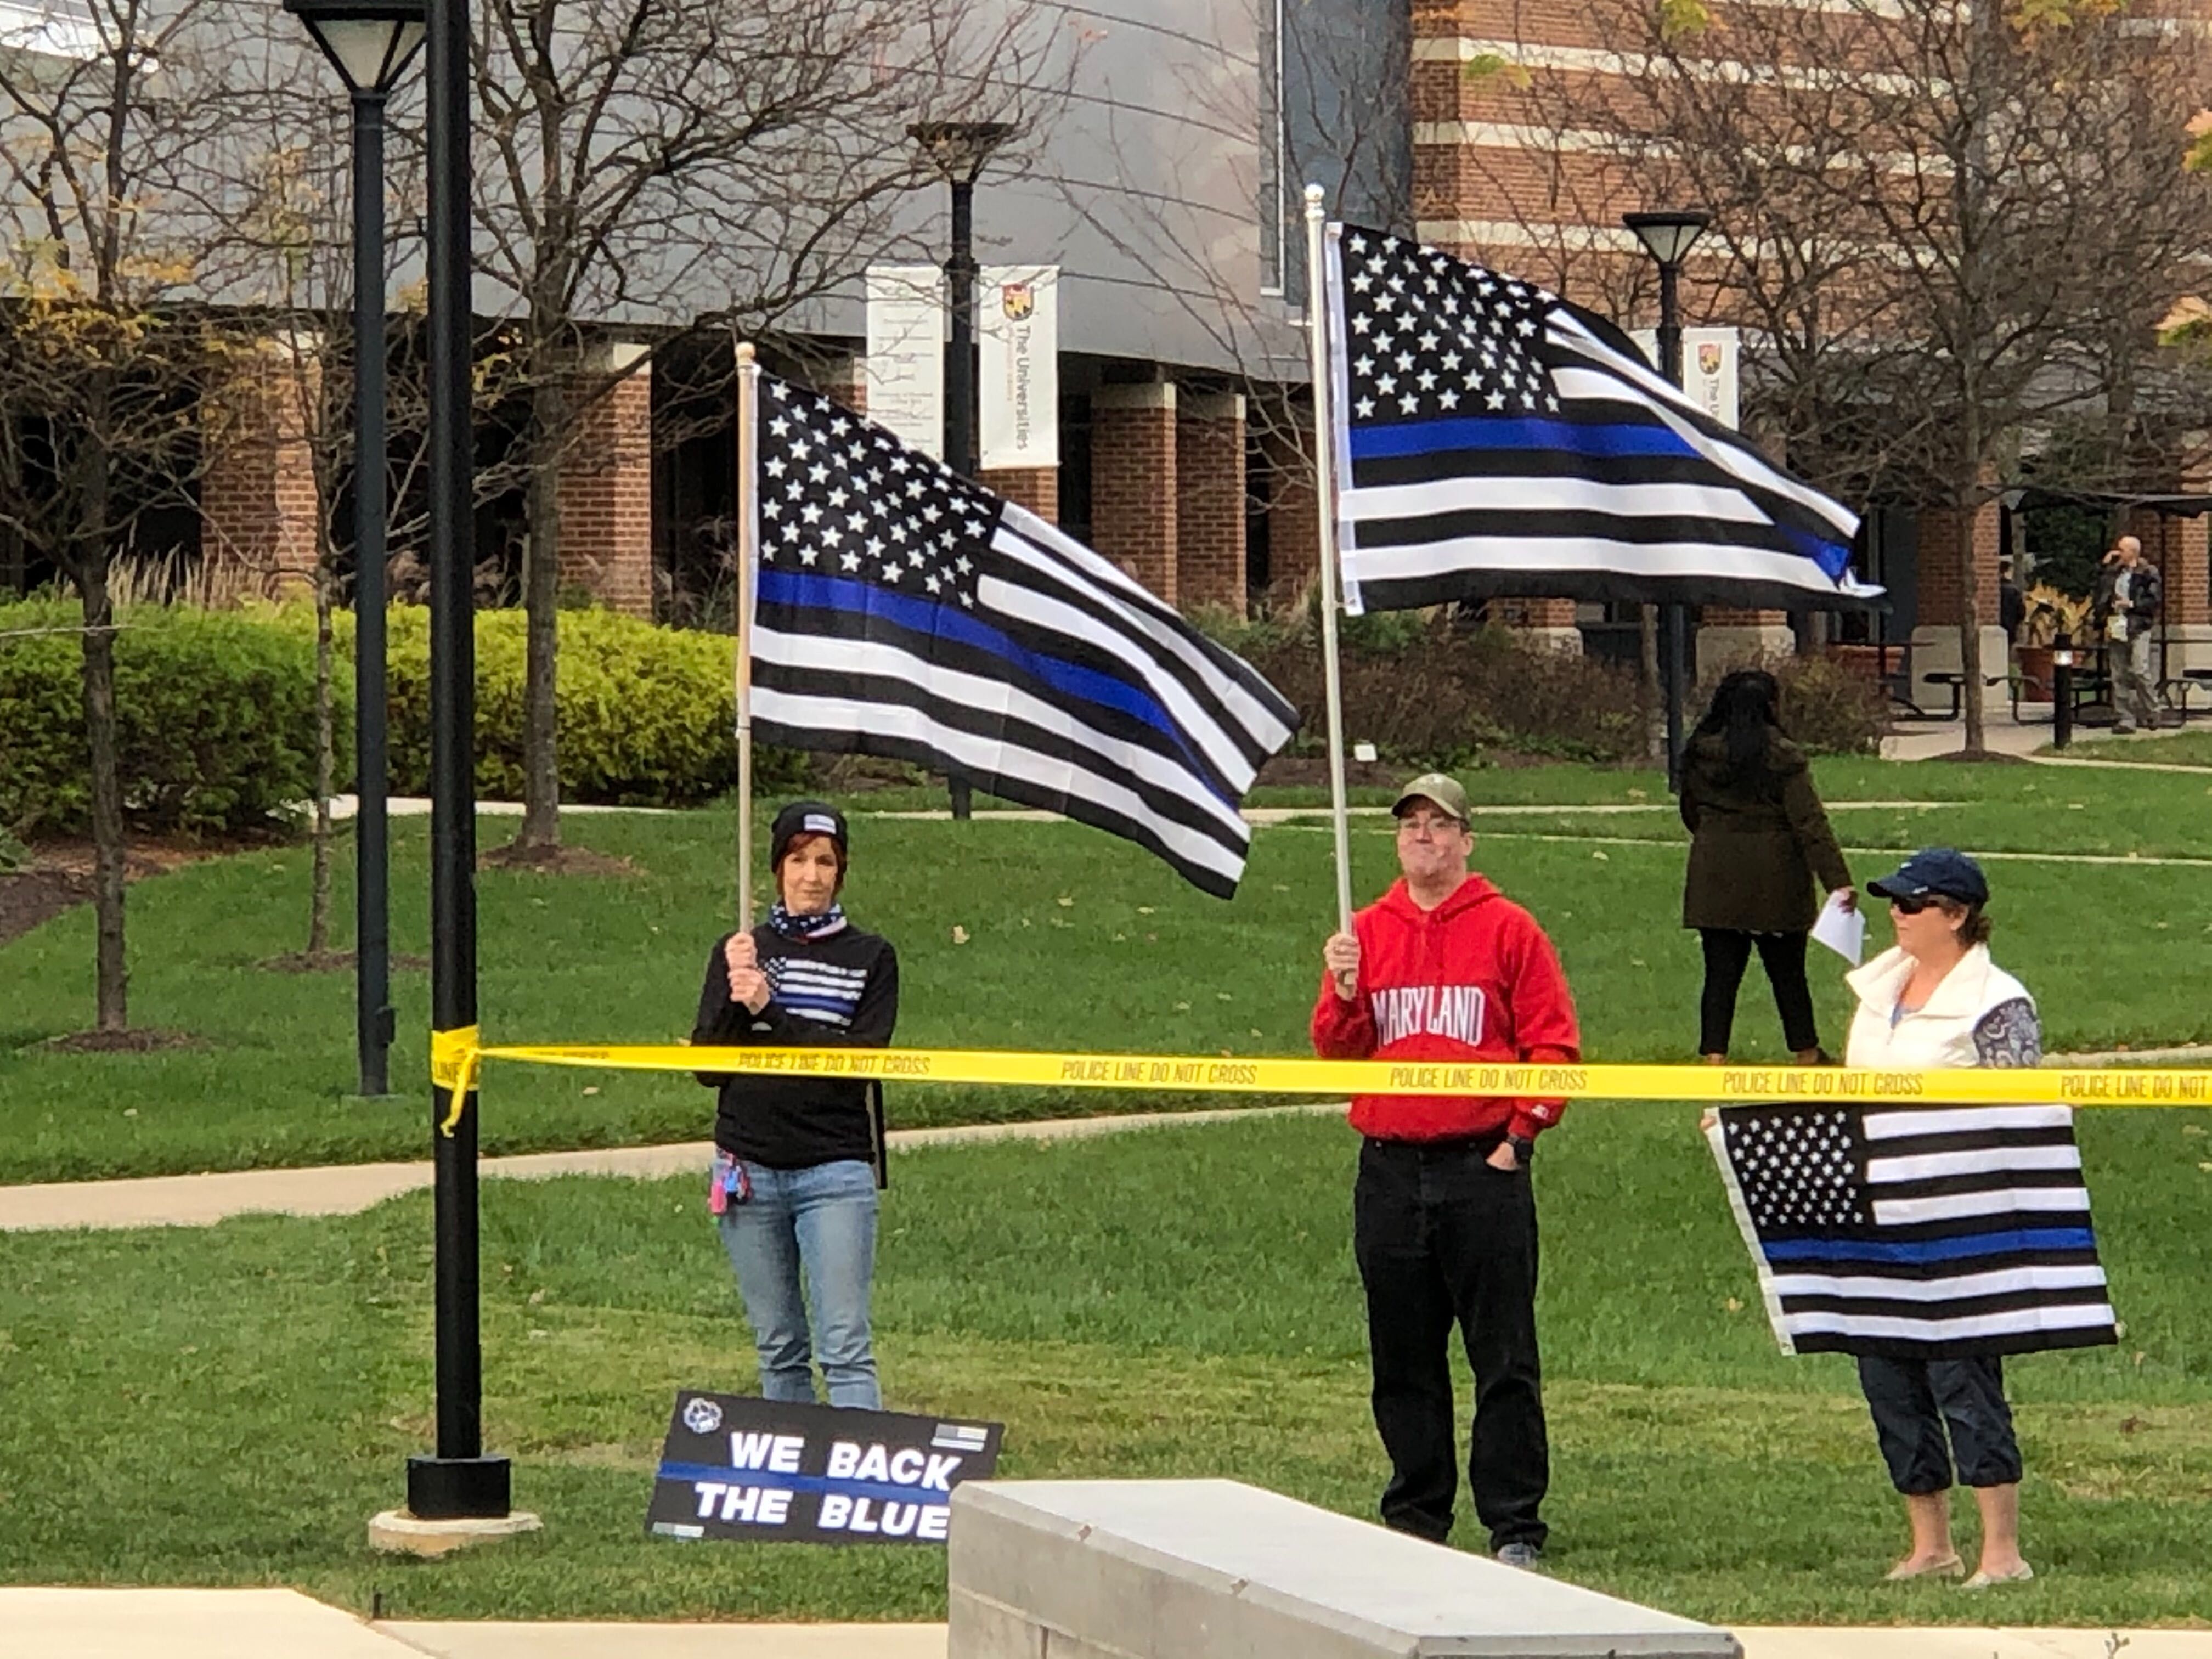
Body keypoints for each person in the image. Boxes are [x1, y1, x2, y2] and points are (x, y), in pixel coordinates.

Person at [1313, 772, 1581, 1568]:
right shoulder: (1365, 932)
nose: (1423, 837)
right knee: (1402, 1356)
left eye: (1438, 825)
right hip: (1391, 1169)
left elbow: (1554, 1046)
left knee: (1503, 1355)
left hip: (1481, 1167)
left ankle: (1514, 1522)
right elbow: (1338, 1053)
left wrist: (1519, 1137)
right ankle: (1416, 1514)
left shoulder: (1509, 930)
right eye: (1411, 826)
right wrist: (1344, 990)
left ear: (1466, 840)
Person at [1844, 848, 2041, 1589]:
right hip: (1879, 1213)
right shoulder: (1877, 991)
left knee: (1965, 1379)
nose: (1896, 914)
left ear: (1956, 916)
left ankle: (2001, 1552)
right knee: (1889, 1379)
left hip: (1962, 1220)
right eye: (1893, 902)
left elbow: (2021, 1113)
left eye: (1912, 903)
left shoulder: (1998, 1000)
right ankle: (1930, 1544)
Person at [693, 800, 900, 1409]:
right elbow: (709, 1067)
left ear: (841, 872)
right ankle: (793, 1465)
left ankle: (855, 1464)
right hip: (749, 1170)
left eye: (825, 862)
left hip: (833, 1172)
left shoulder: (871, 957)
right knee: (779, 1346)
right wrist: (736, 995)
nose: (812, 876)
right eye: (799, 860)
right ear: (778, 868)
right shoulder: (741, 951)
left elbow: (853, 1067)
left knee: (844, 1347)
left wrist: (771, 1011)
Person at [1679, 669, 1854, 1065]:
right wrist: (1837, 881)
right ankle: (1806, 1050)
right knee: (1788, 970)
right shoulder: (1784, 758)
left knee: (1720, 973)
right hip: (1777, 876)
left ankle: (1714, 1054)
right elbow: (1809, 822)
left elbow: (1691, 812)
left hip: (1714, 872)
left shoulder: (1700, 754)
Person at [2095, 536, 2163, 733]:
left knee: (2140, 669)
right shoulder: (2114, 572)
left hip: (2138, 625)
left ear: (2133, 552)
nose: (2119, 553)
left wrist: (2132, 604)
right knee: (2118, 673)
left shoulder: (2148, 572)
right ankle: (2125, 717)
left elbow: (2154, 600)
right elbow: (2100, 591)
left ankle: (2152, 710)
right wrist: (2105, 567)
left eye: (2122, 550)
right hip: (2116, 623)